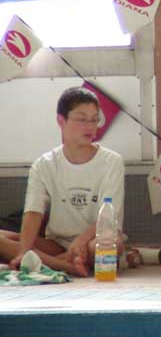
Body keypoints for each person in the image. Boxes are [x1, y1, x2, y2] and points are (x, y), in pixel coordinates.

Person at [0, 86, 125, 277]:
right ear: (61, 120)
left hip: (94, 241)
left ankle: (47, 262)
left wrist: (81, 241)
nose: (90, 126)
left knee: (106, 246)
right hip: (56, 243)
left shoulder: (112, 161)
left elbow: (109, 217)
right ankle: (67, 265)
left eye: (94, 119)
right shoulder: (43, 164)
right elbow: (33, 212)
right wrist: (23, 251)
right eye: (82, 119)